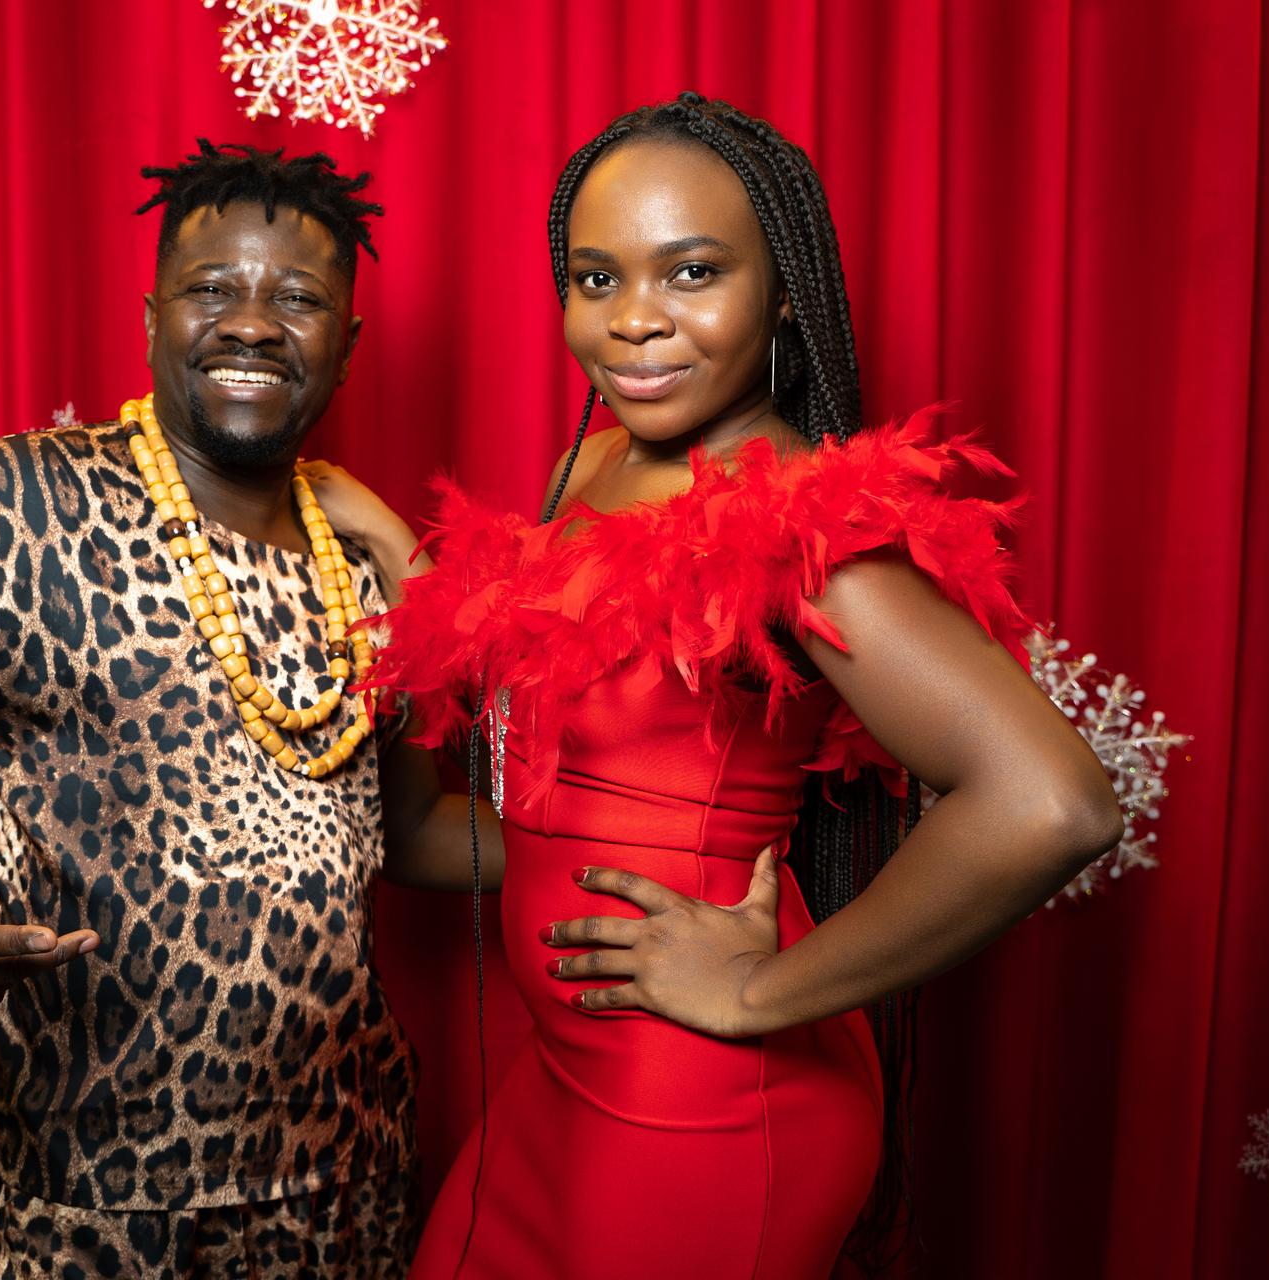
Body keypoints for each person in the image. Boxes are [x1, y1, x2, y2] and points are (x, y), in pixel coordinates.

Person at [326, 93, 1124, 1278]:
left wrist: (758, 991)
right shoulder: (590, 466)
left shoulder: (802, 529)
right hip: (559, 1077)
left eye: (691, 271)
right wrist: (393, 556)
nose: (634, 319)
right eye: (596, 279)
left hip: (693, 1101)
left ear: (785, 290)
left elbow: (1054, 801)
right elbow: (534, 799)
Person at [0, 140, 475, 1280]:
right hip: (82, 1193)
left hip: (344, 1177)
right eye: (213, 288)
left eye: (298, 300)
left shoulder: (362, 562)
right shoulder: (3, 502)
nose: (253, 324)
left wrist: (648, 849)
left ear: (346, 345)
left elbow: (414, 826)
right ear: (153, 318)